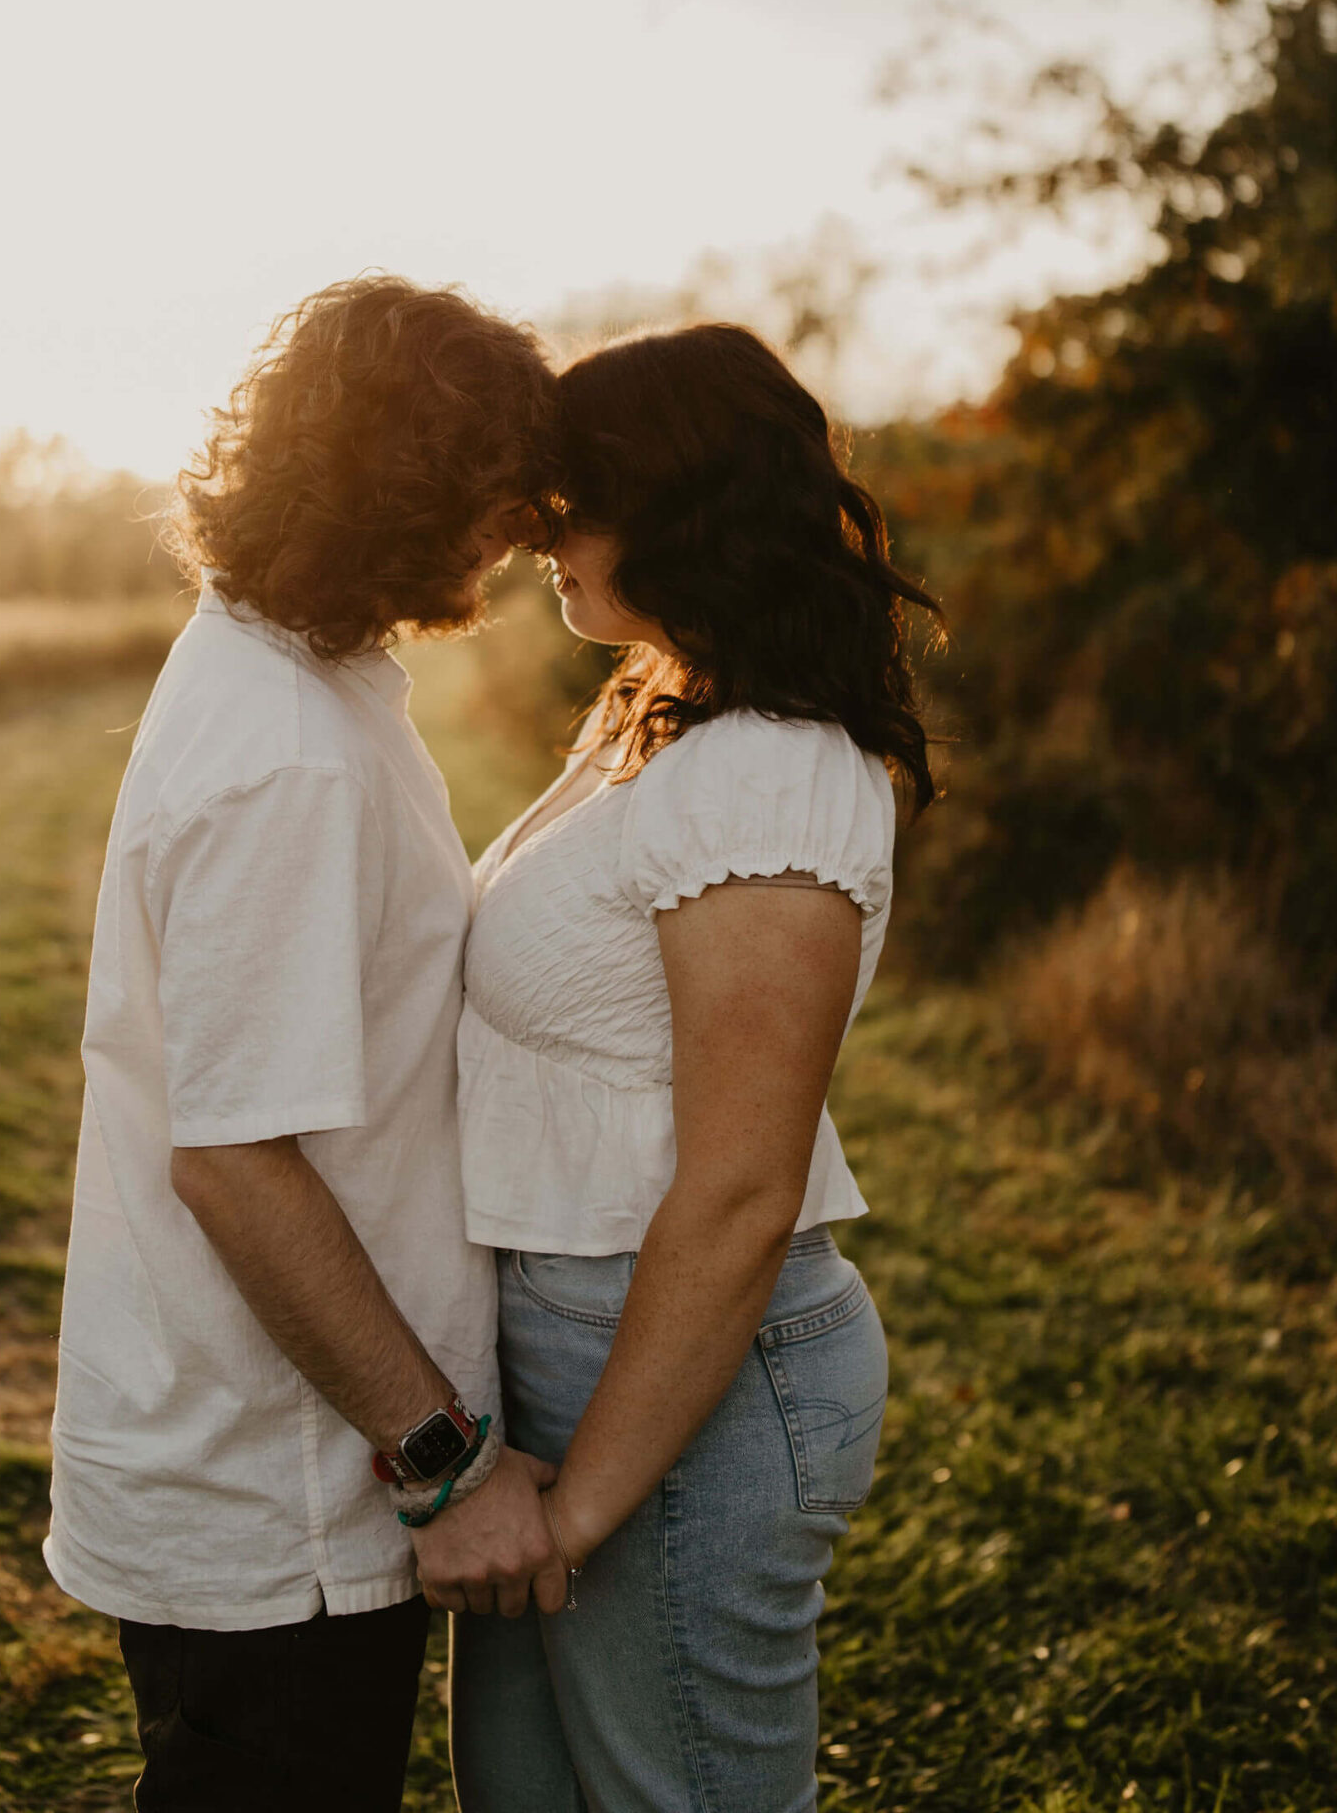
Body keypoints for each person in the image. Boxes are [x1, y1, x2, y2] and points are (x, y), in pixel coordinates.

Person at [44, 276, 567, 1813]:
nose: (525, 524)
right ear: (404, 480)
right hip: (285, 1500)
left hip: (286, 1466)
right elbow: (236, 1164)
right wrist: (445, 1463)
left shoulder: (291, 669)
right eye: (497, 486)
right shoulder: (285, 756)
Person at [447, 322, 942, 1813]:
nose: (544, 535)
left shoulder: (772, 770)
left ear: (683, 511)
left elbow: (737, 1188)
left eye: (574, 500)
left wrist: (582, 1505)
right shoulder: (661, 707)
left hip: (683, 1388)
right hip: (569, 1348)